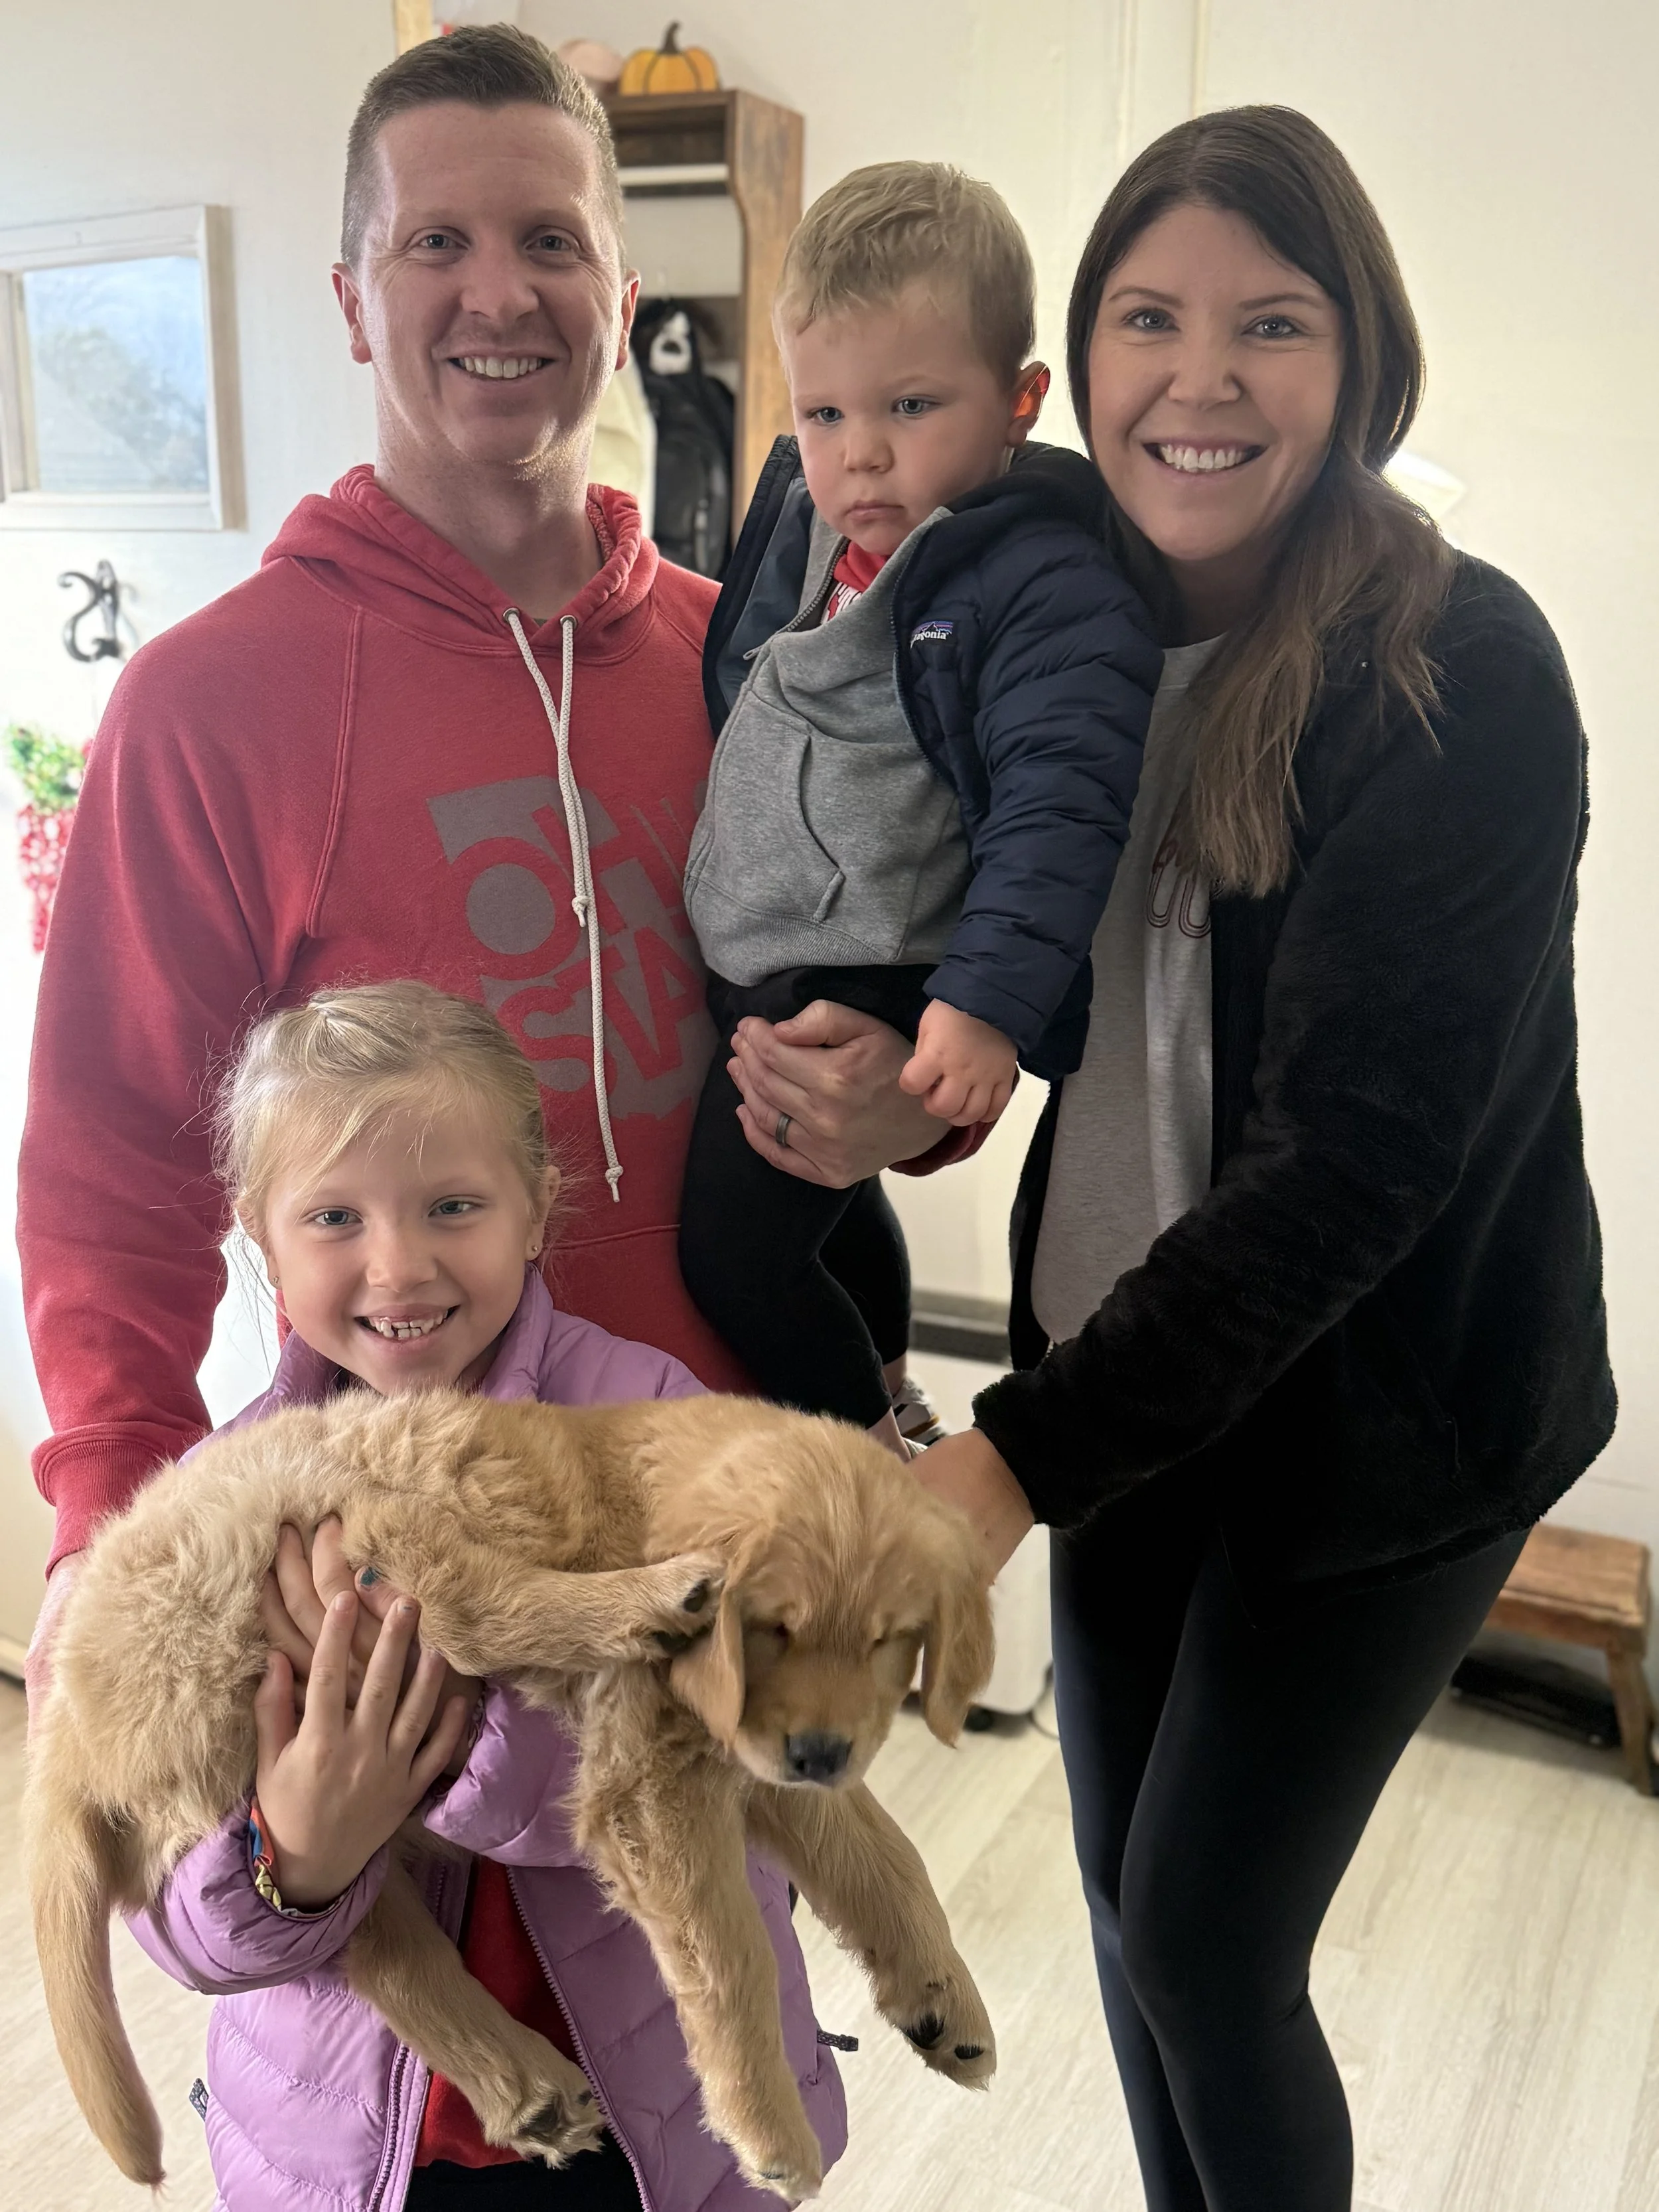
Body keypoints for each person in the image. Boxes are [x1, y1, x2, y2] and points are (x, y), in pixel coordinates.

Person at [18, 26, 952, 1638]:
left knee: (727, 1903)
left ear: (624, 297)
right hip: (410, 1569)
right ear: (349, 297)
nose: (498, 295)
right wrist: (120, 1531)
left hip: (743, 1530)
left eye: (550, 242)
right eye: (432, 242)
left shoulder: (757, 669)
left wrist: (908, 1116)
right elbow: (114, 1169)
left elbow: (895, 1004)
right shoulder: (208, 703)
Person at [904, 106, 1616, 2212]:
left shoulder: (1455, 669)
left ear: (1357, 357)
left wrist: (1002, 1460)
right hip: (1129, 1380)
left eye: (1266, 323)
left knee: (1212, 1946)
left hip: (1379, 1426)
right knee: (1131, 1929)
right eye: (1147, 318)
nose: (1197, 379)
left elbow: (1347, 1169)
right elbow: (1047, 985)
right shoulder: (1061, 625)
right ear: (1079, 364)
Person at [127, 981, 845, 2211]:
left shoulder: (654, 1419)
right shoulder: (209, 1503)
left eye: (452, 1206)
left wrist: (436, 1750)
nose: (397, 1265)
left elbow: (739, 1748)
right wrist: (290, 1856)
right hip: (360, 2153)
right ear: (259, 1235)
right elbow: (171, 1913)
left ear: (534, 1210)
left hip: (656, 2118)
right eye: (335, 1217)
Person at [678, 162, 1159, 1451]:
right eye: (824, 413)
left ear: (1016, 405)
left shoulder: (1036, 583)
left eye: (909, 405)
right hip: (778, 949)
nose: (860, 455)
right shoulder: (806, 528)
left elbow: (1058, 809)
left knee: (733, 1250)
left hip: (869, 959)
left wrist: (985, 1002)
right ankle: (890, 1381)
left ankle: (862, 1456)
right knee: (833, 1215)